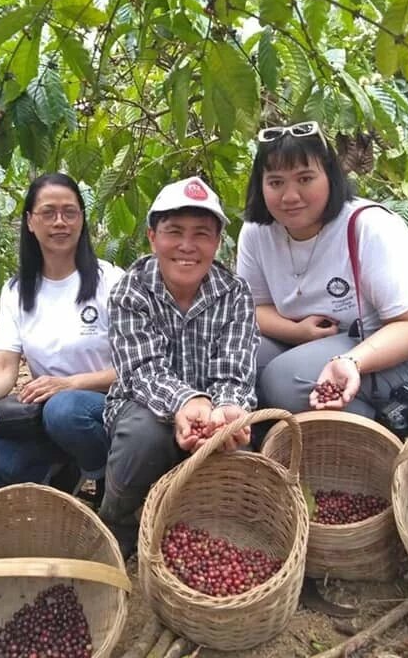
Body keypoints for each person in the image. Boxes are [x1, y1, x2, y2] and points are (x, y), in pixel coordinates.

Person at [236, 120, 408, 437]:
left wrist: (352, 361)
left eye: (305, 178)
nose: (290, 196)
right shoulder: (257, 232)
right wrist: (297, 331)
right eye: (275, 182)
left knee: (284, 379)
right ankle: (280, 451)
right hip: (320, 346)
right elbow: (253, 308)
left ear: (330, 176)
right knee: (239, 354)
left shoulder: (369, 227)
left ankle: (390, 442)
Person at [98, 176, 259, 556]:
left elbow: (234, 372)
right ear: (153, 238)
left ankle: (202, 526)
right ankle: (116, 517)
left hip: (209, 411)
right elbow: (142, 371)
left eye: (202, 234)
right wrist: (188, 403)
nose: (187, 246)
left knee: (241, 448)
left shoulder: (234, 293)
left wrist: (224, 412)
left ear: (217, 242)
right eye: (174, 232)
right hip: (140, 408)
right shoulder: (131, 290)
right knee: (145, 436)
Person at [0, 173, 123, 497]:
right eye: (48, 213)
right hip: (46, 415)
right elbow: (4, 370)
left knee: (66, 409)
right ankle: (68, 468)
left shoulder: (111, 281)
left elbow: (136, 369)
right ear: (30, 222)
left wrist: (70, 384)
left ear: (82, 219)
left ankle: (113, 486)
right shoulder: (17, 291)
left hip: (107, 408)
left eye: (69, 212)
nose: (59, 222)